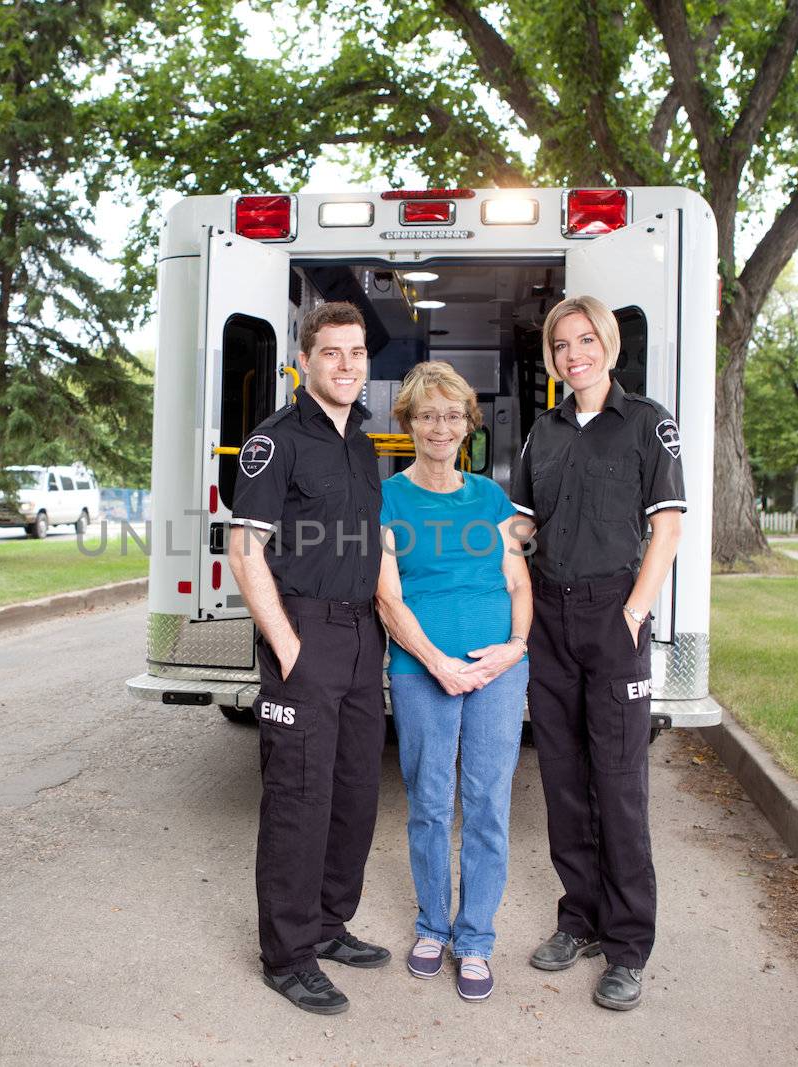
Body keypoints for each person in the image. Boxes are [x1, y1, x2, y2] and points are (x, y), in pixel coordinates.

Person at [510, 295, 685, 1011]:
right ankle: (578, 918)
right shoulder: (541, 434)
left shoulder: (647, 423)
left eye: (585, 340)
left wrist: (634, 615)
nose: (573, 353)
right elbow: (523, 521)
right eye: (561, 344)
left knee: (619, 784)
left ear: (608, 346)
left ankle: (628, 944)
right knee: (562, 777)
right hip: (550, 615)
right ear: (551, 357)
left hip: (615, 615)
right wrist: (497, 551)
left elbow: (667, 529)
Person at [228, 301, 389, 1016]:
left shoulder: (363, 443)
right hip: (306, 634)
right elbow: (245, 550)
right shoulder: (275, 441)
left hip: (361, 637)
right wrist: (288, 645)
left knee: (354, 792)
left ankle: (328, 924)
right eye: (333, 352)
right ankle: (288, 955)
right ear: (305, 359)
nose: (347, 365)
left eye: (356, 353)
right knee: (299, 797)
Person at [373, 362, 532, 1003]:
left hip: (498, 671)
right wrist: (437, 662)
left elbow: (519, 582)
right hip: (420, 670)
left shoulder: (493, 499)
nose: (441, 427)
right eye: (427, 415)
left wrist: (513, 649)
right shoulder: (386, 499)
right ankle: (433, 926)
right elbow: (387, 598)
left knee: (489, 807)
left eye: (453, 415)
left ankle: (475, 939)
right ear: (408, 422)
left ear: (469, 425)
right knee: (431, 805)